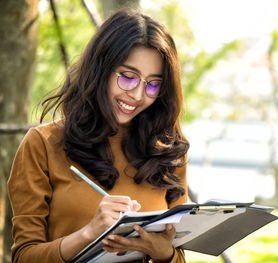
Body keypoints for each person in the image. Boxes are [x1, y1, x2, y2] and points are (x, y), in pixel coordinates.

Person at [7, 8, 189, 263]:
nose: (137, 95)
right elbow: (24, 256)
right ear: (101, 69)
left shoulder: (167, 151)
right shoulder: (43, 145)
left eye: (153, 84)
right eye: (127, 77)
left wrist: (166, 254)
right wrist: (88, 234)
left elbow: (179, 254)